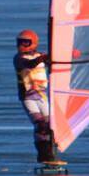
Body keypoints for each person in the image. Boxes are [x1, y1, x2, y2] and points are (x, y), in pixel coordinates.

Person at [13, 30, 58, 163]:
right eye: (19, 42)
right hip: (28, 97)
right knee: (40, 124)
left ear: (33, 43)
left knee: (50, 125)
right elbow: (30, 64)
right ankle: (43, 156)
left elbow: (57, 59)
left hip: (41, 96)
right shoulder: (19, 59)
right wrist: (43, 58)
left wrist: (72, 54)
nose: (21, 45)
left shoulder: (40, 55)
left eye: (25, 42)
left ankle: (52, 153)